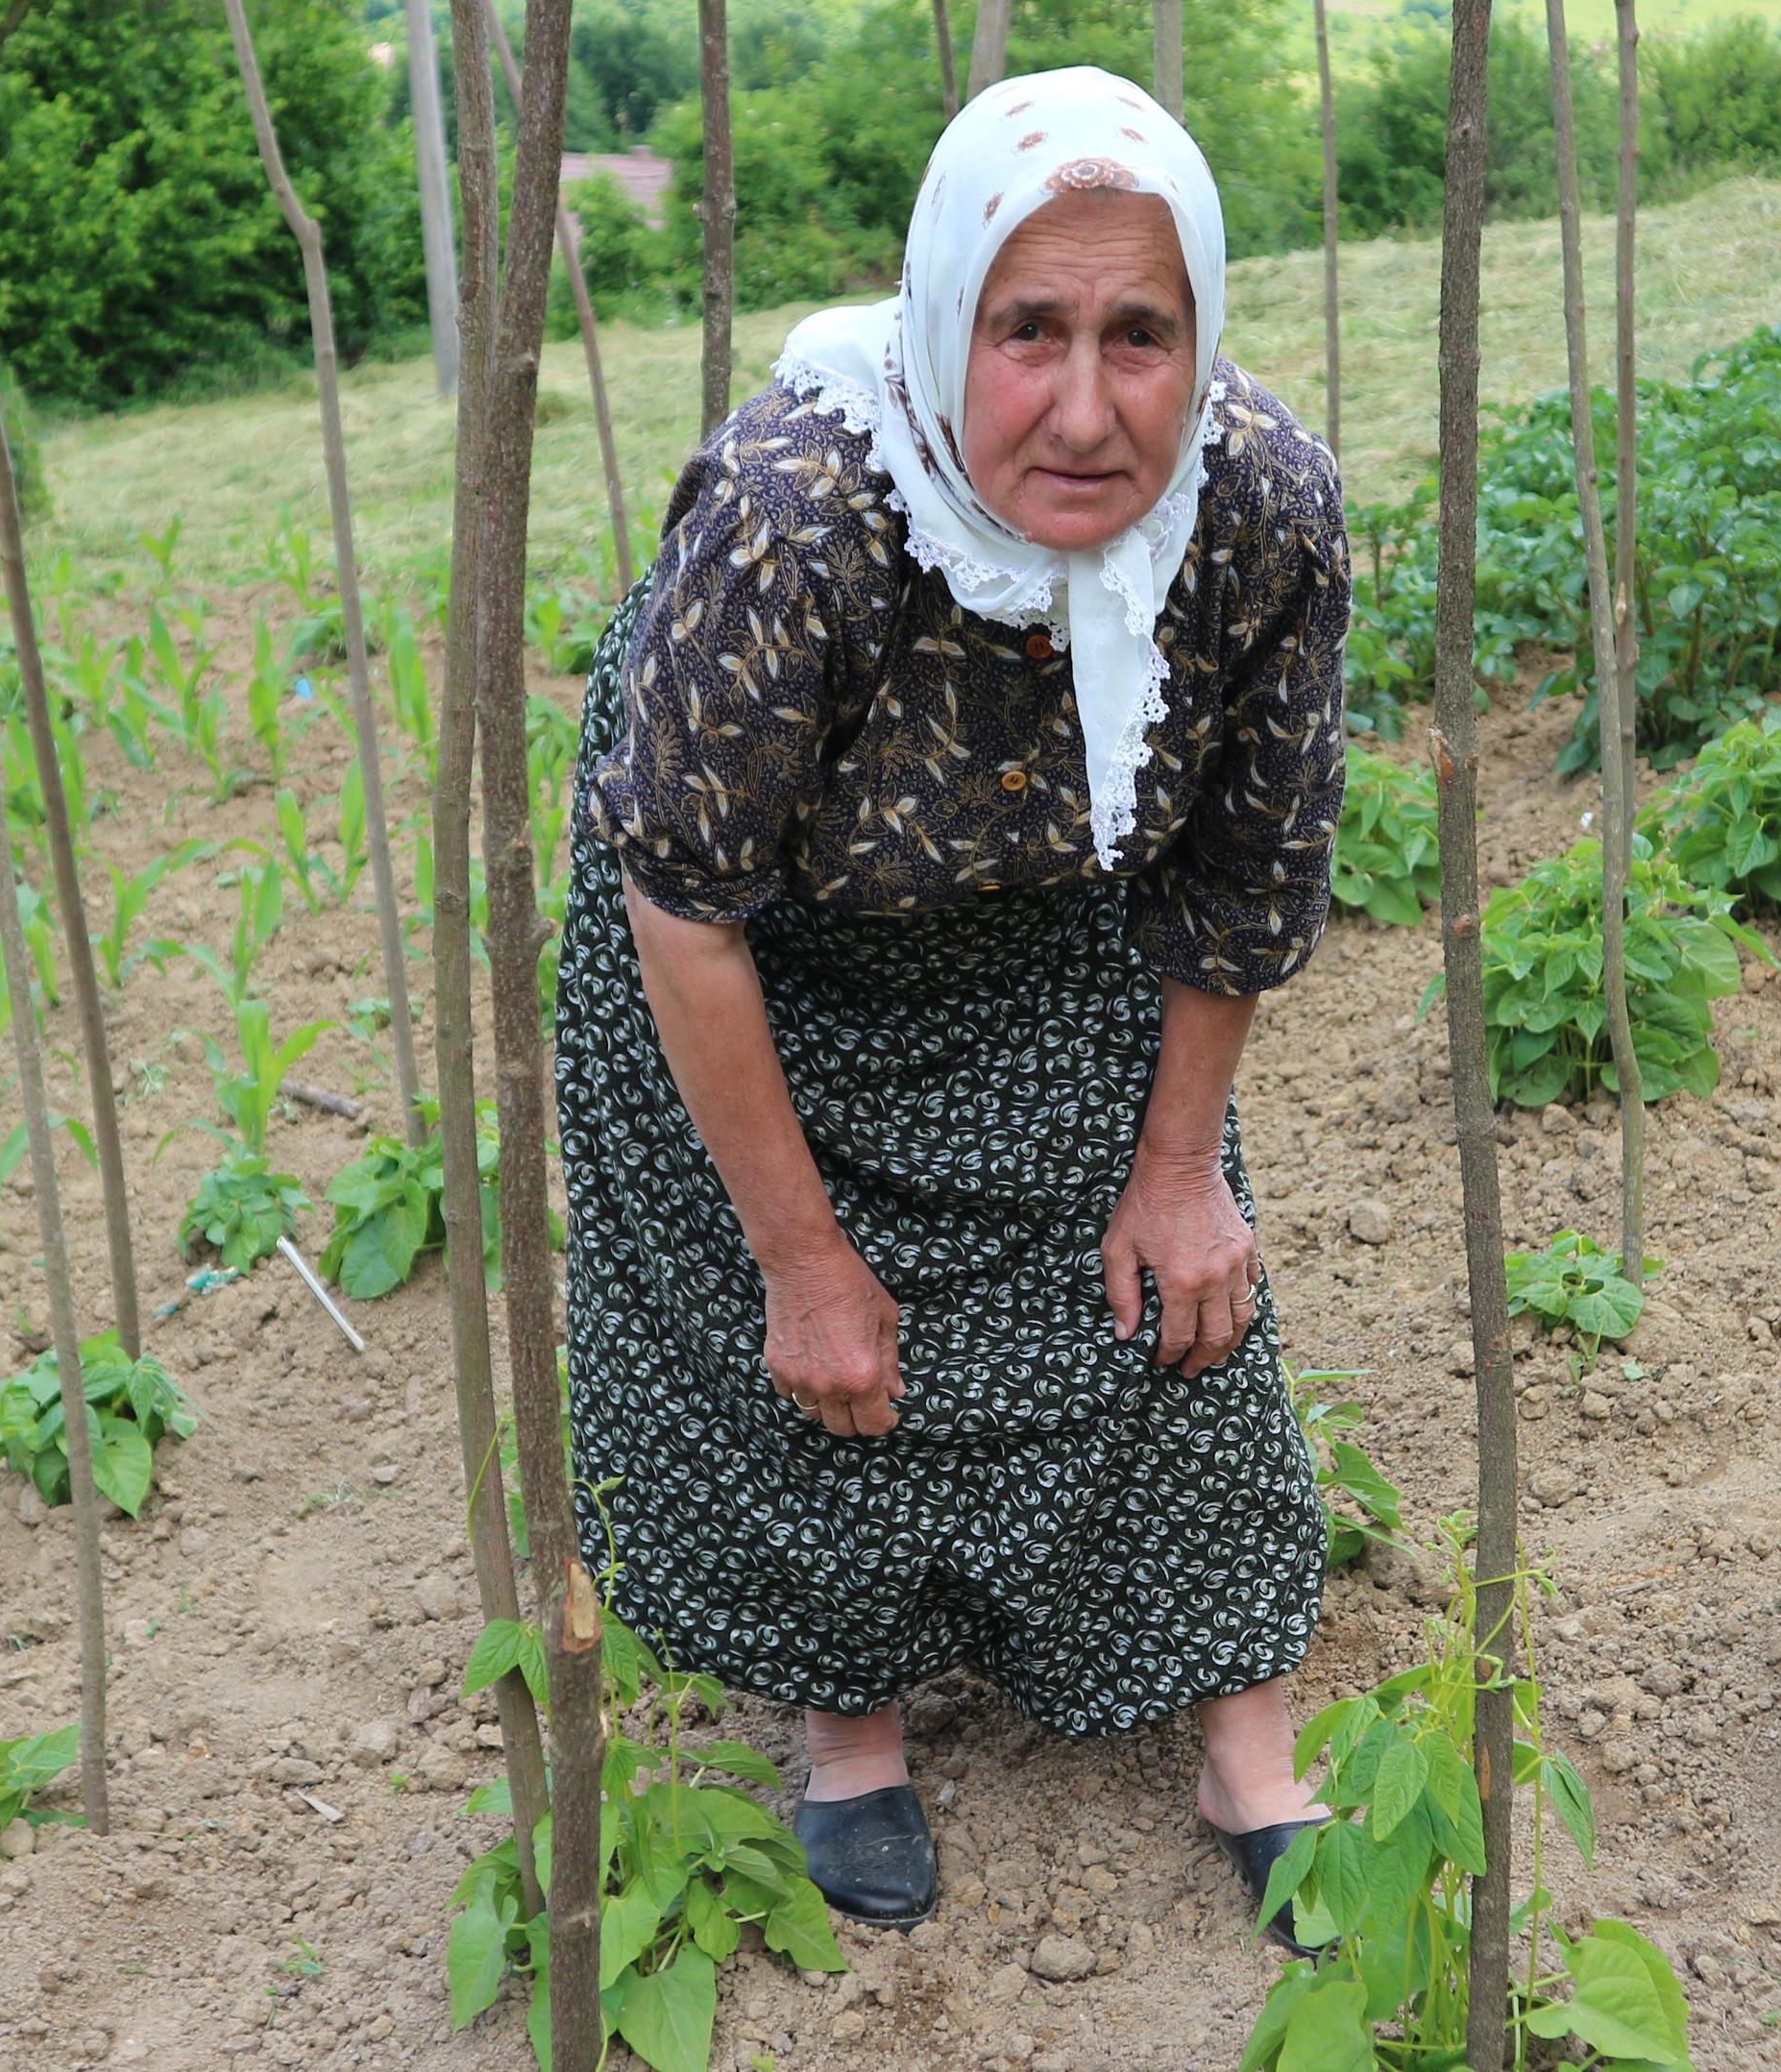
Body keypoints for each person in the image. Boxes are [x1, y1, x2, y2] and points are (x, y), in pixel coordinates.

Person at [554, 66, 1352, 1949]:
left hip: (1061, 884)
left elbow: (1247, 869)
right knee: (823, 1342)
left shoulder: (1259, 511)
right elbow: (687, 911)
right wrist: (803, 1248)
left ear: (1201, 332)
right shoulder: (800, 521)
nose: (1087, 407)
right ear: (945, 321)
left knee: (1171, 1276)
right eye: (1030, 332)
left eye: (1140, 334)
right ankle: (852, 1724)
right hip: (754, 936)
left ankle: (1247, 1734)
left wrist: (1176, 1160)